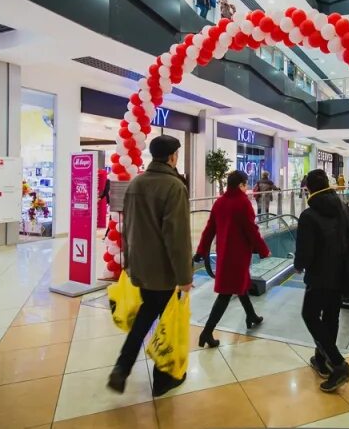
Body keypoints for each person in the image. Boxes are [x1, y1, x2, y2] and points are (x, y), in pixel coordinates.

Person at [108, 135, 193, 397]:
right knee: (165, 320)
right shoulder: (174, 187)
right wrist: (185, 275)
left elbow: (129, 227)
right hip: (165, 272)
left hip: (141, 268)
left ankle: (124, 367)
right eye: (177, 153)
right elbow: (176, 237)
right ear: (171, 157)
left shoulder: (136, 183)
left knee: (148, 316)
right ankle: (162, 377)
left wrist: (131, 264)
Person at [296, 169, 349, 393]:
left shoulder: (309, 215)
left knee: (310, 315)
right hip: (342, 274)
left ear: (310, 188)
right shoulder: (345, 209)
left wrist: (298, 265)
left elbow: (305, 251)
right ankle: (322, 360)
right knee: (331, 316)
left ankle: (339, 364)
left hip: (320, 275)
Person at [196, 171, 269, 347]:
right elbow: (252, 230)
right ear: (241, 185)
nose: (247, 188)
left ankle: (251, 315)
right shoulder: (243, 203)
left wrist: (201, 250)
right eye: (246, 184)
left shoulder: (220, 202)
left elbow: (209, 229)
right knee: (226, 293)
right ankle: (206, 332)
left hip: (225, 253)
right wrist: (263, 250)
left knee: (240, 284)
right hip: (238, 255)